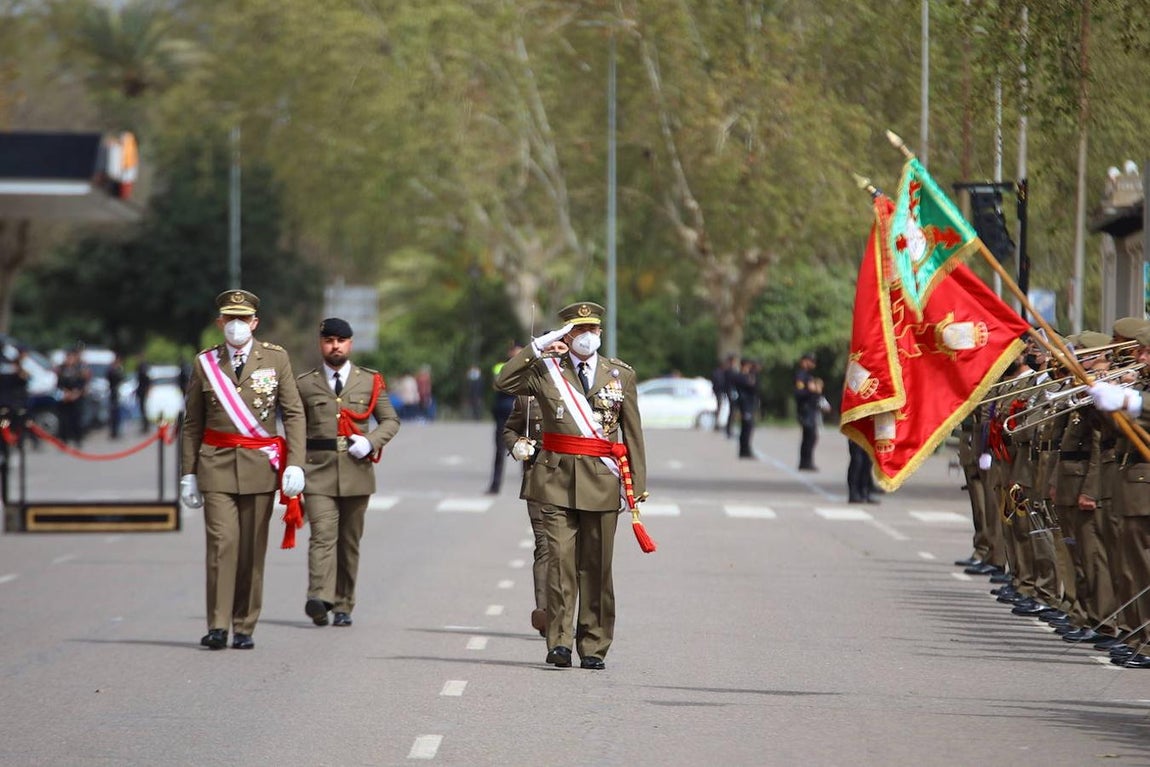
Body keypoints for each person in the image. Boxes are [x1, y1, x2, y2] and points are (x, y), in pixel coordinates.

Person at [494, 301, 647, 671]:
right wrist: (538, 347)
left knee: (596, 567)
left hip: (602, 479)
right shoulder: (546, 371)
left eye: (592, 330)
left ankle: (593, 643)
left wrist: (636, 485)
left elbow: (632, 432)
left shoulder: (619, 375)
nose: (586, 337)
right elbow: (503, 382)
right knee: (560, 562)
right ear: (565, 334)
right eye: (577, 331)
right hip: (555, 479)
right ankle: (559, 642)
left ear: (600, 334)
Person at [179, 289, 306, 651]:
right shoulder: (205, 363)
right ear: (220, 322)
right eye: (229, 319)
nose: (236, 326)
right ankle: (217, 625)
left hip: (260, 466)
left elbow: (293, 413)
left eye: (242, 319)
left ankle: (244, 624)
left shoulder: (276, 359)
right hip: (216, 464)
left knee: (251, 549)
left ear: (255, 322)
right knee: (222, 544)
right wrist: (189, 472)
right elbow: (193, 422)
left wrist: (295, 463)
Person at [297, 318, 400, 628]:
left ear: (350, 344)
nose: (335, 346)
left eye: (341, 340)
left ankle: (343, 604)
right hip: (318, 471)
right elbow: (295, 427)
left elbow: (390, 421)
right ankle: (319, 597)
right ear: (321, 344)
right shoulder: (304, 383)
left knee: (348, 542)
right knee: (322, 536)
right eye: (329, 340)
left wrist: (370, 442)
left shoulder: (369, 381)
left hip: (357, 470)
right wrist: (295, 468)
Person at [503, 393, 548, 636]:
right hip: (539, 480)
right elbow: (510, 429)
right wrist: (518, 445)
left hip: (577, 483)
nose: (557, 352)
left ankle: (568, 613)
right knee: (544, 546)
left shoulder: (584, 390)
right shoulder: (528, 398)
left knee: (574, 552)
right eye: (552, 350)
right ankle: (545, 613)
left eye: (562, 350)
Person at [487, 343, 522, 495]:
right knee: (500, 452)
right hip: (503, 413)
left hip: (521, 413)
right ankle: (495, 485)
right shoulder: (501, 367)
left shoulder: (530, 366)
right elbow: (498, 385)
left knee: (528, 450)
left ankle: (530, 486)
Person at [794, 352, 824, 471]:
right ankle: (805, 462)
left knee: (811, 437)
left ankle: (806, 461)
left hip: (811, 409)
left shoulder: (808, 376)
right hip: (805, 410)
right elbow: (799, 393)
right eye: (810, 361)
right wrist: (811, 390)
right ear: (804, 361)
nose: (812, 363)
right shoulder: (801, 376)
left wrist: (817, 391)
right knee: (809, 436)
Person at [56, 348, 89, 447]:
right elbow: (59, 384)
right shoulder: (62, 369)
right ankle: (64, 440)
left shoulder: (79, 369)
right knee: (64, 420)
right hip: (65, 397)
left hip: (77, 397)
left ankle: (77, 439)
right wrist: (66, 393)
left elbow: (82, 383)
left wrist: (77, 393)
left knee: (77, 420)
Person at [731, 358, 759, 458]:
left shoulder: (748, 376)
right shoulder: (740, 377)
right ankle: (744, 450)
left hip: (749, 404)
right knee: (746, 428)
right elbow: (751, 385)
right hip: (744, 405)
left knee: (749, 428)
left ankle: (746, 449)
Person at [711, 355, 734, 432]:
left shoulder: (724, 372)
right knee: (719, 407)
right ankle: (717, 423)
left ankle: (721, 423)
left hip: (722, 391)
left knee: (722, 408)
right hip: (719, 391)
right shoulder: (718, 372)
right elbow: (718, 382)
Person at [106, 353, 125, 439]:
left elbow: (122, 378)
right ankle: (113, 431)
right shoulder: (112, 370)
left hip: (118, 393)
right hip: (113, 393)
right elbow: (110, 377)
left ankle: (117, 431)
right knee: (113, 414)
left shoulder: (120, 369)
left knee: (118, 414)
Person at [135, 356, 151, 434]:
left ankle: (146, 426)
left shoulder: (143, 369)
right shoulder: (143, 369)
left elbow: (147, 380)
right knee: (143, 409)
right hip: (141, 390)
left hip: (143, 391)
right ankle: (145, 425)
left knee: (144, 409)